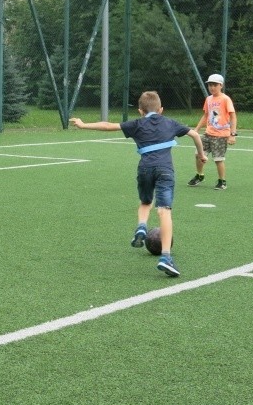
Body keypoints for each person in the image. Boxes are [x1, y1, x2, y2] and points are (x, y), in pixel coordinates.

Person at [70, 91, 207, 277]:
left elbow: (109, 125)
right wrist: (201, 154)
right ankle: (166, 257)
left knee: (145, 202)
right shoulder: (170, 122)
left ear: (140, 111)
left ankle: (142, 225)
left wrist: (83, 124)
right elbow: (195, 135)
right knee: (164, 210)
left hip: (145, 169)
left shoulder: (136, 124)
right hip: (165, 170)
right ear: (161, 110)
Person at [187, 73, 237, 190]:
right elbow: (206, 115)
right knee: (198, 154)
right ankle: (200, 176)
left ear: (221, 85)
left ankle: (222, 181)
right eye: (210, 85)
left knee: (218, 159)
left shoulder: (225, 99)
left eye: (215, 85)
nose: (212, 87)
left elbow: (233, 116)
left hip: (221, 135)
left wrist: (232, 134)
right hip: (208, 134)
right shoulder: (208, 99)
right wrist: (196, 130)